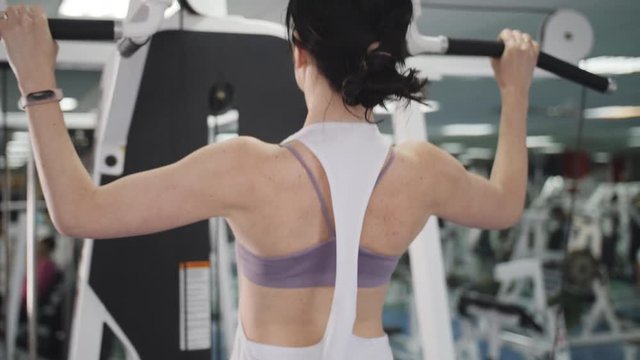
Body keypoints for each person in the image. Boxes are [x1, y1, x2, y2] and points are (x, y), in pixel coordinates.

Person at [0, 1, 539, 359]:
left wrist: (38, 82)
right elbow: (506, 204)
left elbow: (78, 212)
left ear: (298, 51)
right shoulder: (423, 171)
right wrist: (515, 93)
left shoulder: (248, 168)